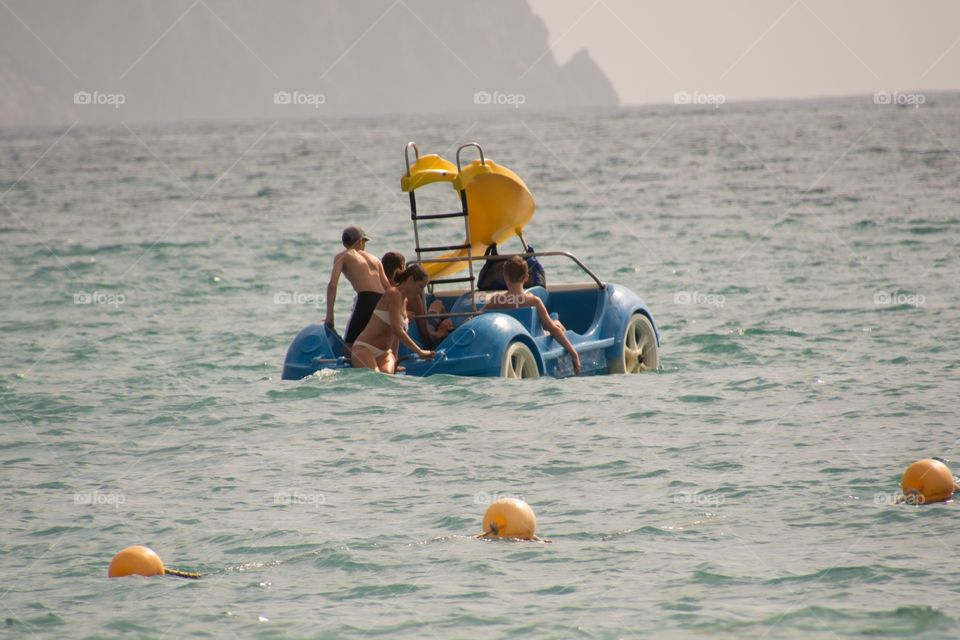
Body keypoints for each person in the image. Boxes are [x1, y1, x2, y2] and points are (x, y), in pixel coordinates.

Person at [483, 256, 581, 375]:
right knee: (555, 323)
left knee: (553, 320)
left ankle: (555, 318)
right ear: (526, 278)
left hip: (507, 343)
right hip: (535, 339)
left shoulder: (496, 301)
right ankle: (555, 318)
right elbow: (552, 330)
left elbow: (477, 317)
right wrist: (573, 352)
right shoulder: (533, 301)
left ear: (505, 277)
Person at [352, 264, 436, 373]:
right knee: (375, 377)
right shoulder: (393, 293)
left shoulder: (405, 301)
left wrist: (395, 360)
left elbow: (395, 337)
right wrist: (419, 352)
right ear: (410, 279)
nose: (420, 291)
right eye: (420, 286)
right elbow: (396, 329)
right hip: (365, 348)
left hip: (385, 353)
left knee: (388, 380)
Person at [324, 226, 390, 354]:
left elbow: (332, 285)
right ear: (360, 241)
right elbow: (389, 288)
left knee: (349, 346)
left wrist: (330, 316)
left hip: (366, 299)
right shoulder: (375, 259)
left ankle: (352, 368)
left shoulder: (342, 256)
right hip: (383, 300)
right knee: (373, 341)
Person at [381, 251, 453, 349]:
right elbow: (426, 334)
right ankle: (446, 328)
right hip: (426, 333)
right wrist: (439, 334)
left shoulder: (380, 289)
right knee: (438, 304)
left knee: (436, 305)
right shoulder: (409, 297)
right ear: (402, 268)